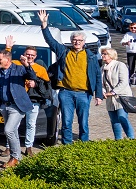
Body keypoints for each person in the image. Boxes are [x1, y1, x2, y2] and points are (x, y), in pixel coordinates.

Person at [39, 9, 101, 144]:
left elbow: (97, 76)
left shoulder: (90, 56)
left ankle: (84, 143)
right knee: (66, 121)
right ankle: (67, 145)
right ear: (71, 40)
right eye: (74, 39)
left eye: (79, 40)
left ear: (84, 42)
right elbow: (51, 41)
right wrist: (44, 25)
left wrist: (99, 95)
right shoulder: (64, 52)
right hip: (66, 92)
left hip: (84, 94)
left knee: (83, 121)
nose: (77, 42)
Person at [0, 47, 35, 168]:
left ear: (7, 60)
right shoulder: (0, 71)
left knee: (8, 130)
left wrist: (27, 65)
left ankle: (15, 157)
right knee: (13, 132)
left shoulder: (19, 69)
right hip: (4, 106)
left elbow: (32, 76)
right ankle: (18, 159)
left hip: (17, 106)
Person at [14, 45, 52, 157]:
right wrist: (8, 48)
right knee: (14, 124)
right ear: (24, 54)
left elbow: (46, 86)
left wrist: (36, 84)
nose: (29, 56)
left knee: (31, 124)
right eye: (28, 54)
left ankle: (28, 147)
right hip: (18, 99)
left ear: (35, 56)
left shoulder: (41, 69)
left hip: (33, 100)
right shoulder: (16, 64)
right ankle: (9, 146)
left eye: (32, 55)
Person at [99, 47, 136, 140]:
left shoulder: (120, 65)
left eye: (105, 54)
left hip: (122, 97)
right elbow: (101, 83)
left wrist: (112, 92)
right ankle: (118, 140)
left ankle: (131, 139)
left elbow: (124, 82)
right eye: (102, 54)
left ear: (111, 55)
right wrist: (103, 92)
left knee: (122, 117)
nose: (102, 55)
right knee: (114, 120)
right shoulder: (102, 68)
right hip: (110, 99)